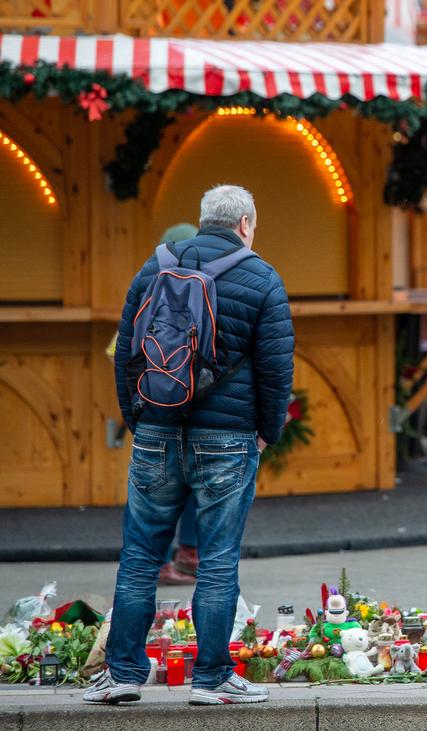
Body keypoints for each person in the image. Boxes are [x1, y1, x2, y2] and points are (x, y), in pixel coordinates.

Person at [86, 185, 294, 706]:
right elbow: (276, 367)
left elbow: (126, 353)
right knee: (219, 560)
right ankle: (212, 678)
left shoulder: (153, 268)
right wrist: (267, 430)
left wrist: (138, 418)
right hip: (227, 440)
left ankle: (124, 674)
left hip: (156, 431)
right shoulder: (262, 277)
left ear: (203, 221)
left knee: (138, 556)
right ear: (245, 223)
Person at [154, 222, 201, 587]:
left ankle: (156, 561)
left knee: (158, 489)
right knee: (195, 487)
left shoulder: (149, 288)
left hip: (157, 409)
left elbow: (121, 353)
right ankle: (189, 555)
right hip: (202, 411)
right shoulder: (209, 289)